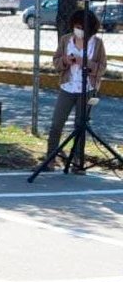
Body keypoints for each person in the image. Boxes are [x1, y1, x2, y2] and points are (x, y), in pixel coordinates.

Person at [46, 9, 107, 165]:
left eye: (82, 27)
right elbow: (56, 62)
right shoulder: (66, 40)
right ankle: (50, 159)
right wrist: (66, 60)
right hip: (68, 87)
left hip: (87, 89)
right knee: (56, 124)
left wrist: (85, 62)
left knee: (80, 126)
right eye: (76, 26)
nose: (78, 30)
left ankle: (77, 160)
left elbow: (101, 68)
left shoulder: (97, 43)